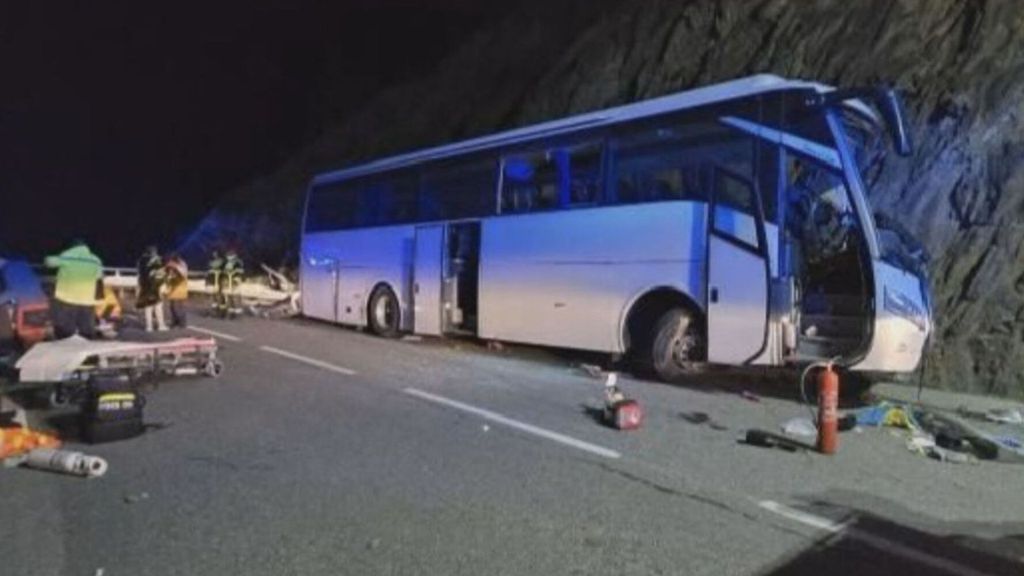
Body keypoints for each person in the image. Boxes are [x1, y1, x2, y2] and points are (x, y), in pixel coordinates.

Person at [44, 239, 103, 339]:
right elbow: (99, 278)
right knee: (87, 331)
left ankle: (65, 349)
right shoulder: (96, 260)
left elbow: (49, 262)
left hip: (66, 299)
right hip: (87, 301)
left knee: (65, 331)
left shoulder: (67, 256)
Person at [136, 246, 168, 332]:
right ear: (155, 252)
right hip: (156, 286)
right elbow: (161, 274)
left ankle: (149, 326)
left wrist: (139, 287)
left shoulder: (141, 261)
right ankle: (161, 325)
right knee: (158, 307)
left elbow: (139, 275)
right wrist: (163, 286)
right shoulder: (158, 260)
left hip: (145, 287)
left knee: (148, 307)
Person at [165, 253, 189, 328]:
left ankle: (182, 323)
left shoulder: (181, 264)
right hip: (172, 289)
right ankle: (174, 321)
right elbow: (167, 273)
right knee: (172, 307)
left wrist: (175, 267)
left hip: (179, 289)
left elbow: (183, 274)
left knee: (178, 307)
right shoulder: (170, 264)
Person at [221, 249, 244, 318]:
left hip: (235, 281)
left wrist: (235, 276)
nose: (228, 256)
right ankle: (231, 312)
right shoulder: (226, 262)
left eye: (229, 255)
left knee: (235, 296)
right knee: (229, 296)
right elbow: (224, 270)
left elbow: (240, 271)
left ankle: (237, 313)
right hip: (228, 281)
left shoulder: (238, 262)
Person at [206, 250, 225, 316]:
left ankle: (221, 311)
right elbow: (208, 271)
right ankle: (214, 310)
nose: (214, 254)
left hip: (218, 280)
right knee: (213, 296)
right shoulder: (210, 262)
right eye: (213, 253)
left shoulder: (221, 261)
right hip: (212, 281)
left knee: (219, 295)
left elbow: (222, 271)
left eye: (215, 253)